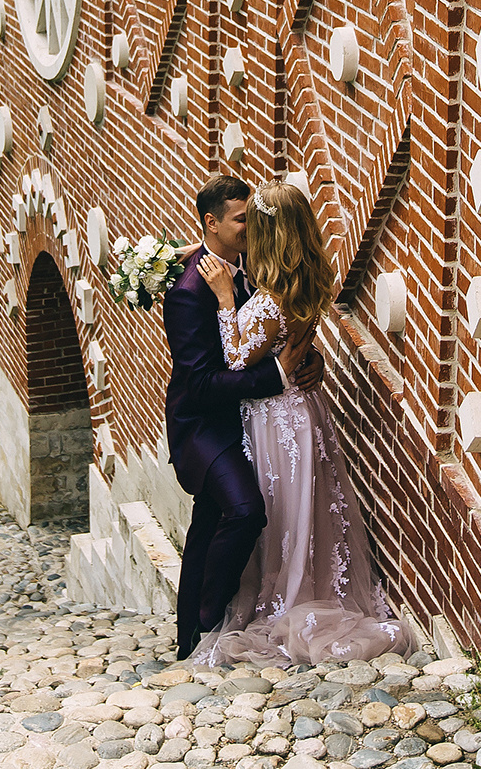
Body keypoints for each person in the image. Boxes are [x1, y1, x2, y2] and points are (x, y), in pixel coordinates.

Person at [188, 178, 409, 667]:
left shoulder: (269, 297)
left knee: (282, 517)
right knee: (304, 512)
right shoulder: (308, 278)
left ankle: (284, 601)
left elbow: (239, 358)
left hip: (274, 420)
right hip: (303, 414)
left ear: (270, 234)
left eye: (255, 226)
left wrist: (226, 299)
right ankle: (303, 587)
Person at [165, 175, 325, 663]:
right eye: (242, 220)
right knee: (242, 510)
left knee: (211, 521)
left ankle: (197, 629)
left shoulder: (254, 267)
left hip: (256, 417)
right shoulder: (191, 290)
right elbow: (203, 385)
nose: (252, 227)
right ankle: (208, 623)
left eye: (255, 218)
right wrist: (279, 374)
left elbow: (277, 324)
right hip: (205, 425)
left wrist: (308, 360)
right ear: (213, 224)